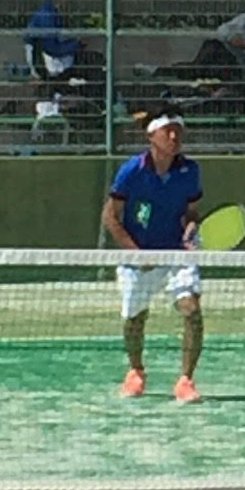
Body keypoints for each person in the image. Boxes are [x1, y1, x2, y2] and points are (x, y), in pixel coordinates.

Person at [103, 111, 205, 403]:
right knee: (135, 319)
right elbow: (110, 217)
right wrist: (135, 254)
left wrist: (191, 229)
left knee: (192, 311)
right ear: (151, 137)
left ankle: (185, 380)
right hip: (138, 258)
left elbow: (191, 212)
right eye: (167, 131)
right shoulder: (131, 171)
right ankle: (135, 371)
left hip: (176, 255)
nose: (174, 137)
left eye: (178, 132)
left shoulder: (190, 171)